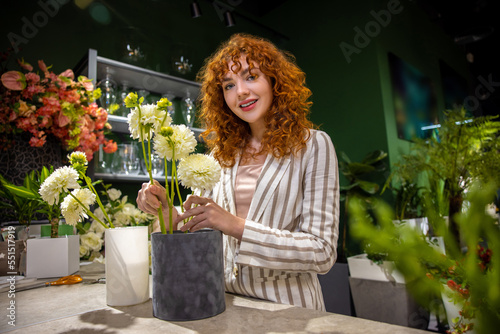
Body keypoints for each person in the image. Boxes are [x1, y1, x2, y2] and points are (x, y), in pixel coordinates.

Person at [137, 33, 339, 311]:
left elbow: (322, 252)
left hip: (291, 310)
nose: (240, 91)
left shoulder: (313, 145)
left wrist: (235, 225)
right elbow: (198, 228)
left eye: (251, 77)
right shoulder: (219, 156)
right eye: (229, 85)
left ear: (275, 82)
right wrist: (167, 213)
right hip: (224, 306)